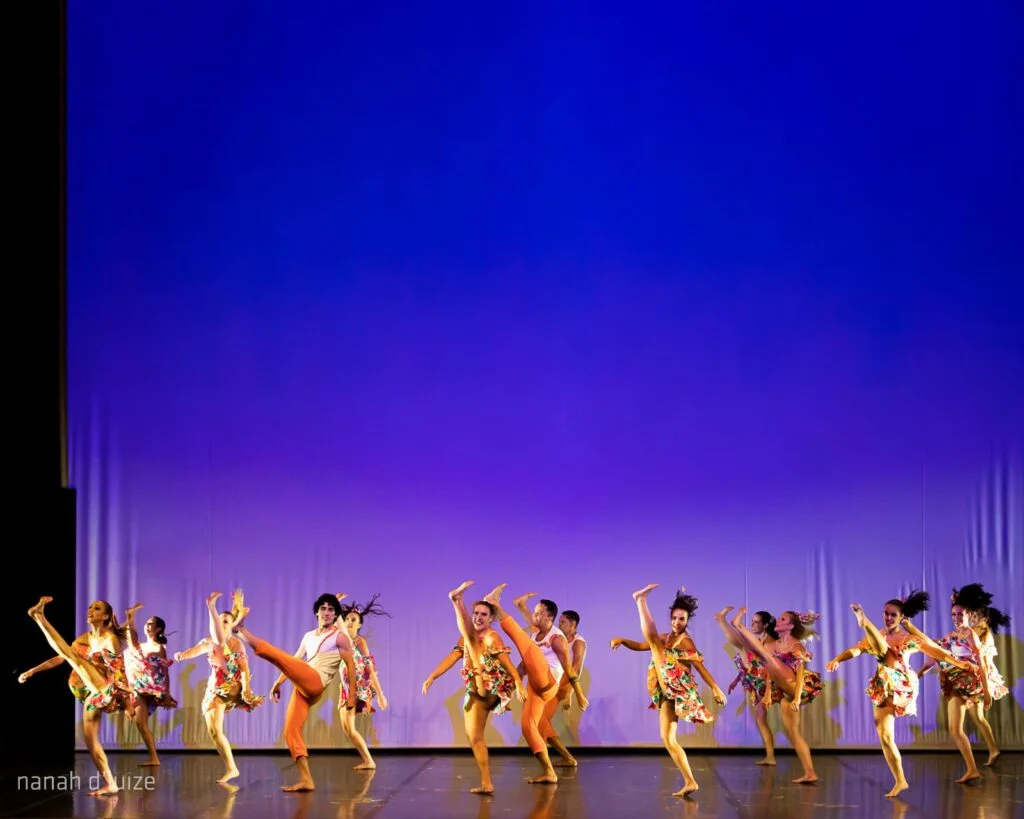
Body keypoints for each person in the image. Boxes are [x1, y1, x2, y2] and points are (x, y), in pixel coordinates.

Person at [826, 592, 971, 798]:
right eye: (886, 614)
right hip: (884, 683)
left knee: (882, 647)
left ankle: (864, 621)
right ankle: (900, 780)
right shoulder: (880, 636)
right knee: (884, 736)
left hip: (902, 682)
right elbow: (856, 650)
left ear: (901, 617)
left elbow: (936, 651)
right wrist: (837, 660)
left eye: (893, 615)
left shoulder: (906, 637)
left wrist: (959, 663)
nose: (888, 618)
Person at [234, 591, 358, 791]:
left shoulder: (340, 637)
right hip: (302, 685)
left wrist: (352, 696)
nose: (326, 612)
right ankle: (306, 780)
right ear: (317, 612)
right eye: (323, 608)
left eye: (331, 610)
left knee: (277, 656)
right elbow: (295, 659)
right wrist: (278, 683)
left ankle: (241, 630)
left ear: (336, 615)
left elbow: (350, 666)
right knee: (290, 731)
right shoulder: (309, 636)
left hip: (315, 682)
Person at [617, 584, 725, 797]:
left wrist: (715, 688)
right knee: (668, 739)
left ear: (687, 621)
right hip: (666, 691)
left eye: (682, 619)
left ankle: (640, 600)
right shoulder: (666, 637)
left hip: (677, 687)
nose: (677, 622)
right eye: (674, 618)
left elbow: (700, 668)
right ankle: (690, 781)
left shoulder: (686, 642)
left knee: (655, 645)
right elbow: (641, 645)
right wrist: (622, 640)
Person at [477, 583, 589, 785]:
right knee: (528, 728)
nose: (535, 616)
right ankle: (549, 771)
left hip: (547, 683)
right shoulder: (537, 633)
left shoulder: (557, 639)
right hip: (534, 687)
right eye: (535, 613)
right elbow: (524, 664)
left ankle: (494, 603)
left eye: (538, 614)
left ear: (549, 617)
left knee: (526, 647)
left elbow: (571, 670)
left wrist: (579, 695)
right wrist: (510, 684)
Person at [25, 597, 134, 796]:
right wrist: (34, 670)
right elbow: (61, 655)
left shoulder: (110, 638)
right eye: (90, 607)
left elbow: (118, 669)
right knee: (90, 740)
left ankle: (40, 617)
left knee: (76, 659)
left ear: (106, 616)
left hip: (107, 686)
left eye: (97, 608)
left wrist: (128, 704)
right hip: (93, 691)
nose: (91, 610)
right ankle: (110, 783)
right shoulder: (85, 638)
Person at [422, 584, 525, 794]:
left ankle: (456, 601)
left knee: (472, 641)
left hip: (491, 687)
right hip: (476, 689)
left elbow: (507, 663)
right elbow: (453, 657)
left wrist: (520, 684)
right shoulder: (467, 636)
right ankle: (487, 783)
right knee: (474, 737)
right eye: (476, 613)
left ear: (490, 619)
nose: (478, 617)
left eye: (483, 614)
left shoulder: (491, 637)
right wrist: (432, 677)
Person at [916, 583, 1011, 781]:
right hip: (958, 684)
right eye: (954, 615)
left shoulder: (971, 635)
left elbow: (983, 666)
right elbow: (937, 655)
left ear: (969, 615)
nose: (957, 618)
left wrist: (986, 694)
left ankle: (973, 768)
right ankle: (982, 760)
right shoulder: (953, 635)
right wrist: (920, 672)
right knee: (962, 726)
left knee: (958, 728)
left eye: (960, 615)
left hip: (967, 685)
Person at [174, 591, 263, 783]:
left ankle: (210, 606)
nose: (222, 624)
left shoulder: (237, 644)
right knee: (214, 732)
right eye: (219, 620)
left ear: (231, 626)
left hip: (234, 686)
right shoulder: (208, 642)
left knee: (220, 642)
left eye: (225, 622)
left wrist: (247, 689)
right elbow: (195, 651)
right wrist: (181, 655)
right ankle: (232, 769)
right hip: (216, 689)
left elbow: (245, 669)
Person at [726, 607, 822, 784]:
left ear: (791, 626)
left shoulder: (796, 645)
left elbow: (801, 672)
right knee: (793, 733)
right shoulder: (777, 644)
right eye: (779, 618)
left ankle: (738, 626)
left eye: (783, 620)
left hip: (800, 688)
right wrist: (768, 693)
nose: (778, 621)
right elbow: (770, 671)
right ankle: (810, 772)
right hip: (786, 690)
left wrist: (798, 698)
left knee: (767, 657)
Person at [511, 593, 585, 768]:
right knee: (538, 724)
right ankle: (565, 759)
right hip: (538, 682)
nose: (560, 624)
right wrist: (521, 606)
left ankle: (566, 758)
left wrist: (573, 694)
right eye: (560, 622)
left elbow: (572, 669)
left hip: (556, 684)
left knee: (541, 722)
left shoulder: (568, 641)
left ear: (572, 625)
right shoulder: (542, 632)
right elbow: (534, 621)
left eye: (563, 622)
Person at [715, 608, 778, 765]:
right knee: (760, 720)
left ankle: (723, 620)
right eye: (752, 622)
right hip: (757, 682)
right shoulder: (760, 641)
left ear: (765, 625)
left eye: (756, 622)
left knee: (742, 646)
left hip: (765, 683)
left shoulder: (770, 642)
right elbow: (747, 667)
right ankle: (770, 757)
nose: (753, 624)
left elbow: (772, 669)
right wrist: (736, 681)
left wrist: (768, 693)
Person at [123, 603, 177, 766]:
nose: (147, 626)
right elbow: (131, 642)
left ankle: (154, 758)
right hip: (136, 686)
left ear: (158, 629)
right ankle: (154, 758)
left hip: (151, 687)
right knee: (140, 722)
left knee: (141, 722)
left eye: (151, 623)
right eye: (146, 623)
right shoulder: (140, 645)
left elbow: (165, 672)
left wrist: (167, 694)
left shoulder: (159, 647)